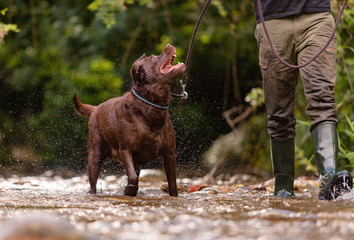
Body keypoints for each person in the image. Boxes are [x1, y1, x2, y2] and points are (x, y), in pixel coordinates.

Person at [252, 0, 352, 199]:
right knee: (278, 114)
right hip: (271, 19)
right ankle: (283, 190)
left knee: (322, 100)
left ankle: (329, 182)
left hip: (316, 17)